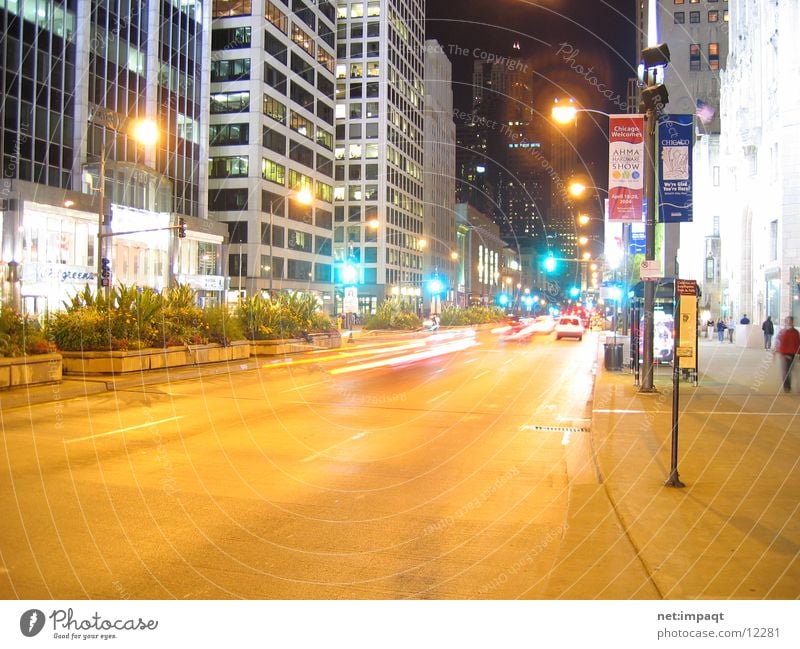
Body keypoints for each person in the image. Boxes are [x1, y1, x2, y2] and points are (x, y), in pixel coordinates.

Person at [774, 316, 800, 393]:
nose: (790, 323)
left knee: (792, 371)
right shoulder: (782, 332)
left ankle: (792, 386)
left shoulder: (796, 332)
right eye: (788, 321)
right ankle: (787, 387)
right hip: (785, 354)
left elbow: (798, 343)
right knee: (786, 371)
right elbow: (778, 343)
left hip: (794, 354)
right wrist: (780, 353)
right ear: (786, 322)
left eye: (791, 321)